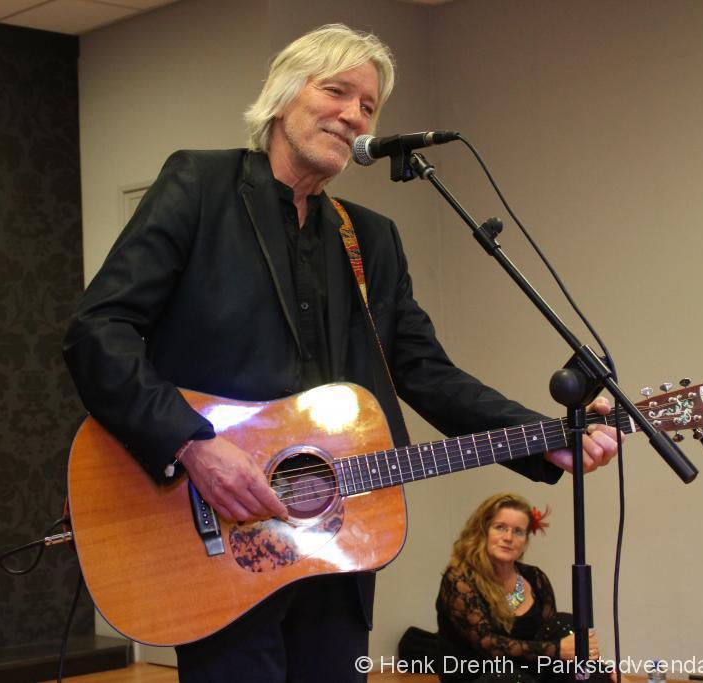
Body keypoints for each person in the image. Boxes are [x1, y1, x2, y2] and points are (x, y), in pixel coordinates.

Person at [63, 23, 620, 683]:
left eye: (369, 106)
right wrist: (191, 442)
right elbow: (98, 329)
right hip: (210, 538)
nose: (355, 114)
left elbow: (426, 372)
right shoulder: (199, 186)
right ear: (282, 95)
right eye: (337, 92)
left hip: (336, 544)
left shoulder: (371, 240)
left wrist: (544, 437)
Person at [436, 493, 609, 683]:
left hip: (529, 673)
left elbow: (550, 634)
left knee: (564, 624)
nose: (508, 537)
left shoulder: (535, 577)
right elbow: (486, 645)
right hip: (479, 674)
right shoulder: (459, 579)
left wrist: (591, 659)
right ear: (483, 531)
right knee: (506, 678)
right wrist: (558, 649)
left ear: (525, 540)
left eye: (518, 531)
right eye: (500, 527)